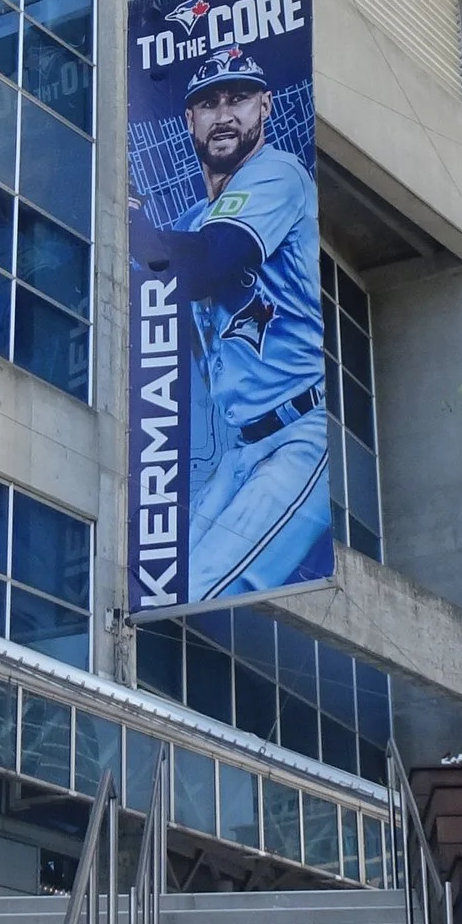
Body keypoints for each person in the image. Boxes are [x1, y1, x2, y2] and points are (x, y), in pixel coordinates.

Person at [130, 48, 330, 599]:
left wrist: (122, 213)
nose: (224, 114)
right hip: (241, 447)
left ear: (265, 105)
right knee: (160, 591)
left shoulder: (278, 174)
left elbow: (205, 266)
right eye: (207, 102)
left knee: (195, 591)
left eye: (238, 97)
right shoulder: (196, 220)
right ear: (189, 120)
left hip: (300, 433)